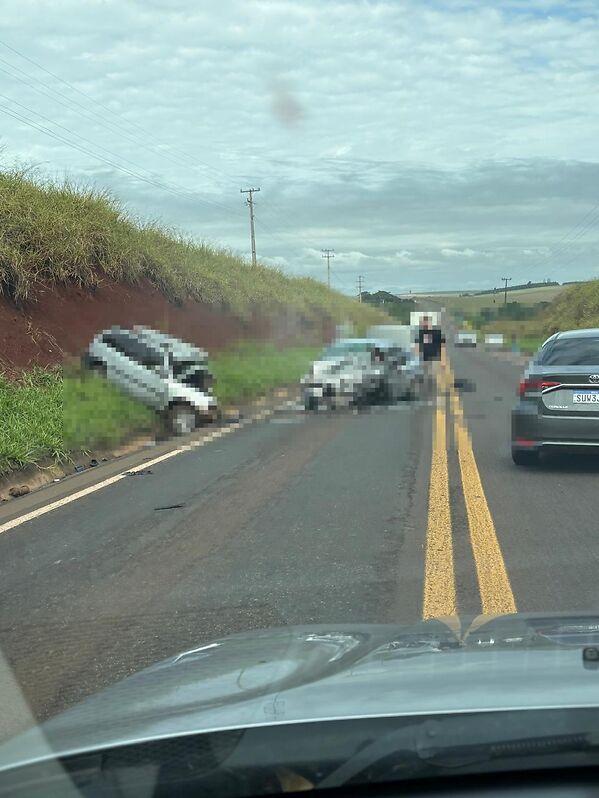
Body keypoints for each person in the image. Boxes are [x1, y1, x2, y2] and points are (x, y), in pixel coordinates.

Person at [416, 315, 445, 398]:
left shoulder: (436, 333)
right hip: (423, 357)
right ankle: (424, 392)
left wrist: (442, 359)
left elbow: (442, 346)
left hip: (435, 357)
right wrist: (416, 356)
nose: (425, 324)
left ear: (430, 323)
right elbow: (417, 345)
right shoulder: (420, 333)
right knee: (423, 376)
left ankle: (432, 392)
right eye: (423, 322)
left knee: (432, 376)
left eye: (427, 322)